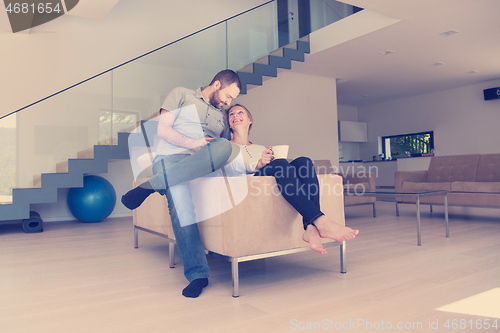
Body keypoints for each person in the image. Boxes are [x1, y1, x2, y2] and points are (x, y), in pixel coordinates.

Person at [122, 70, 242, 298]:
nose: (229, 102)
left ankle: (150, 187)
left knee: (225, 147)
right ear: (217, 84)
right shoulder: (181, 94)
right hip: (170, 159)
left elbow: (225, 147)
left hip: (203, 166)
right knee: (181, 203)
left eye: (232, 100)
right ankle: (198, 275)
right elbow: (163, 130)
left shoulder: (222, 115)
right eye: (228, 96)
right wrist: (194, 143)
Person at [227, 104, 359, 254]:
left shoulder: (259, 148)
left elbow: (274, 169)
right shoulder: (226, 146)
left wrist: (270, 161)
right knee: (281, 163)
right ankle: (320, 220)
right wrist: (259, 164)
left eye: (240, 112)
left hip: (267, 180)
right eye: (231, 114)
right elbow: (230, 169)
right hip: (249, 182)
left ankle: (310, 227)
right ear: (229, 123)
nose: (235, 115)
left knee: (304, 162)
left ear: (249, 119)